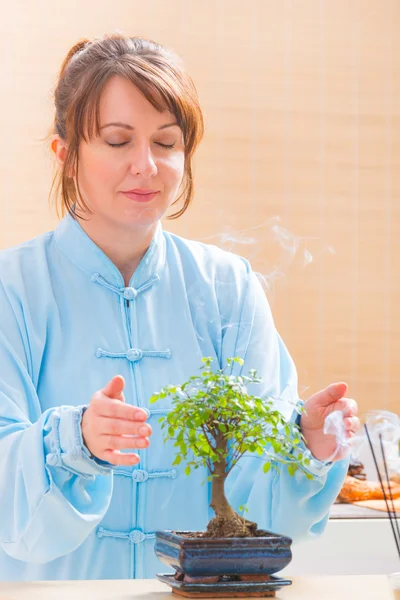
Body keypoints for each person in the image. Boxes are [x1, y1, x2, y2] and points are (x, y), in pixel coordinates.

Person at [0, 33, 360, 581]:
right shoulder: (13, 287)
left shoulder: (227, 285)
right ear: (66, 153)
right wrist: (75, 440)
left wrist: (306, 443)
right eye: (117, 141)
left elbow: (263, 504)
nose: (146, 165)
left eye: (166, 142)